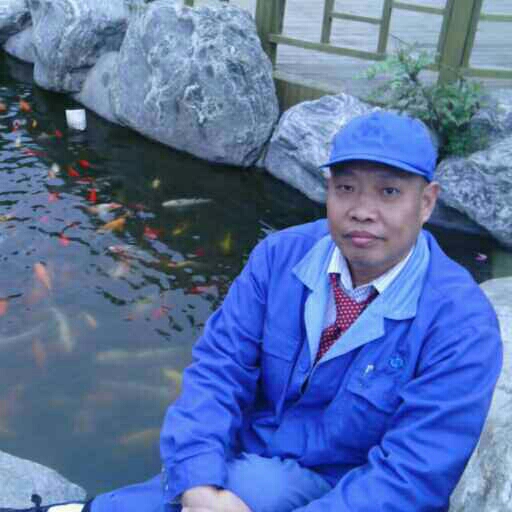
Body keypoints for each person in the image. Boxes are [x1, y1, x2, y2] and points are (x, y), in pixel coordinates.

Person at [5, 111, 502, 512]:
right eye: (346, 188)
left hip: (341, 488)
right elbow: (218, 370)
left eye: (389, 192)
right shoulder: (279, 257)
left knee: (249, 484)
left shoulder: (461, 325)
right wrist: (198, 481)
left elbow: (410, 477)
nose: (362, 210)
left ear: (427, 202)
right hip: (240, 461)